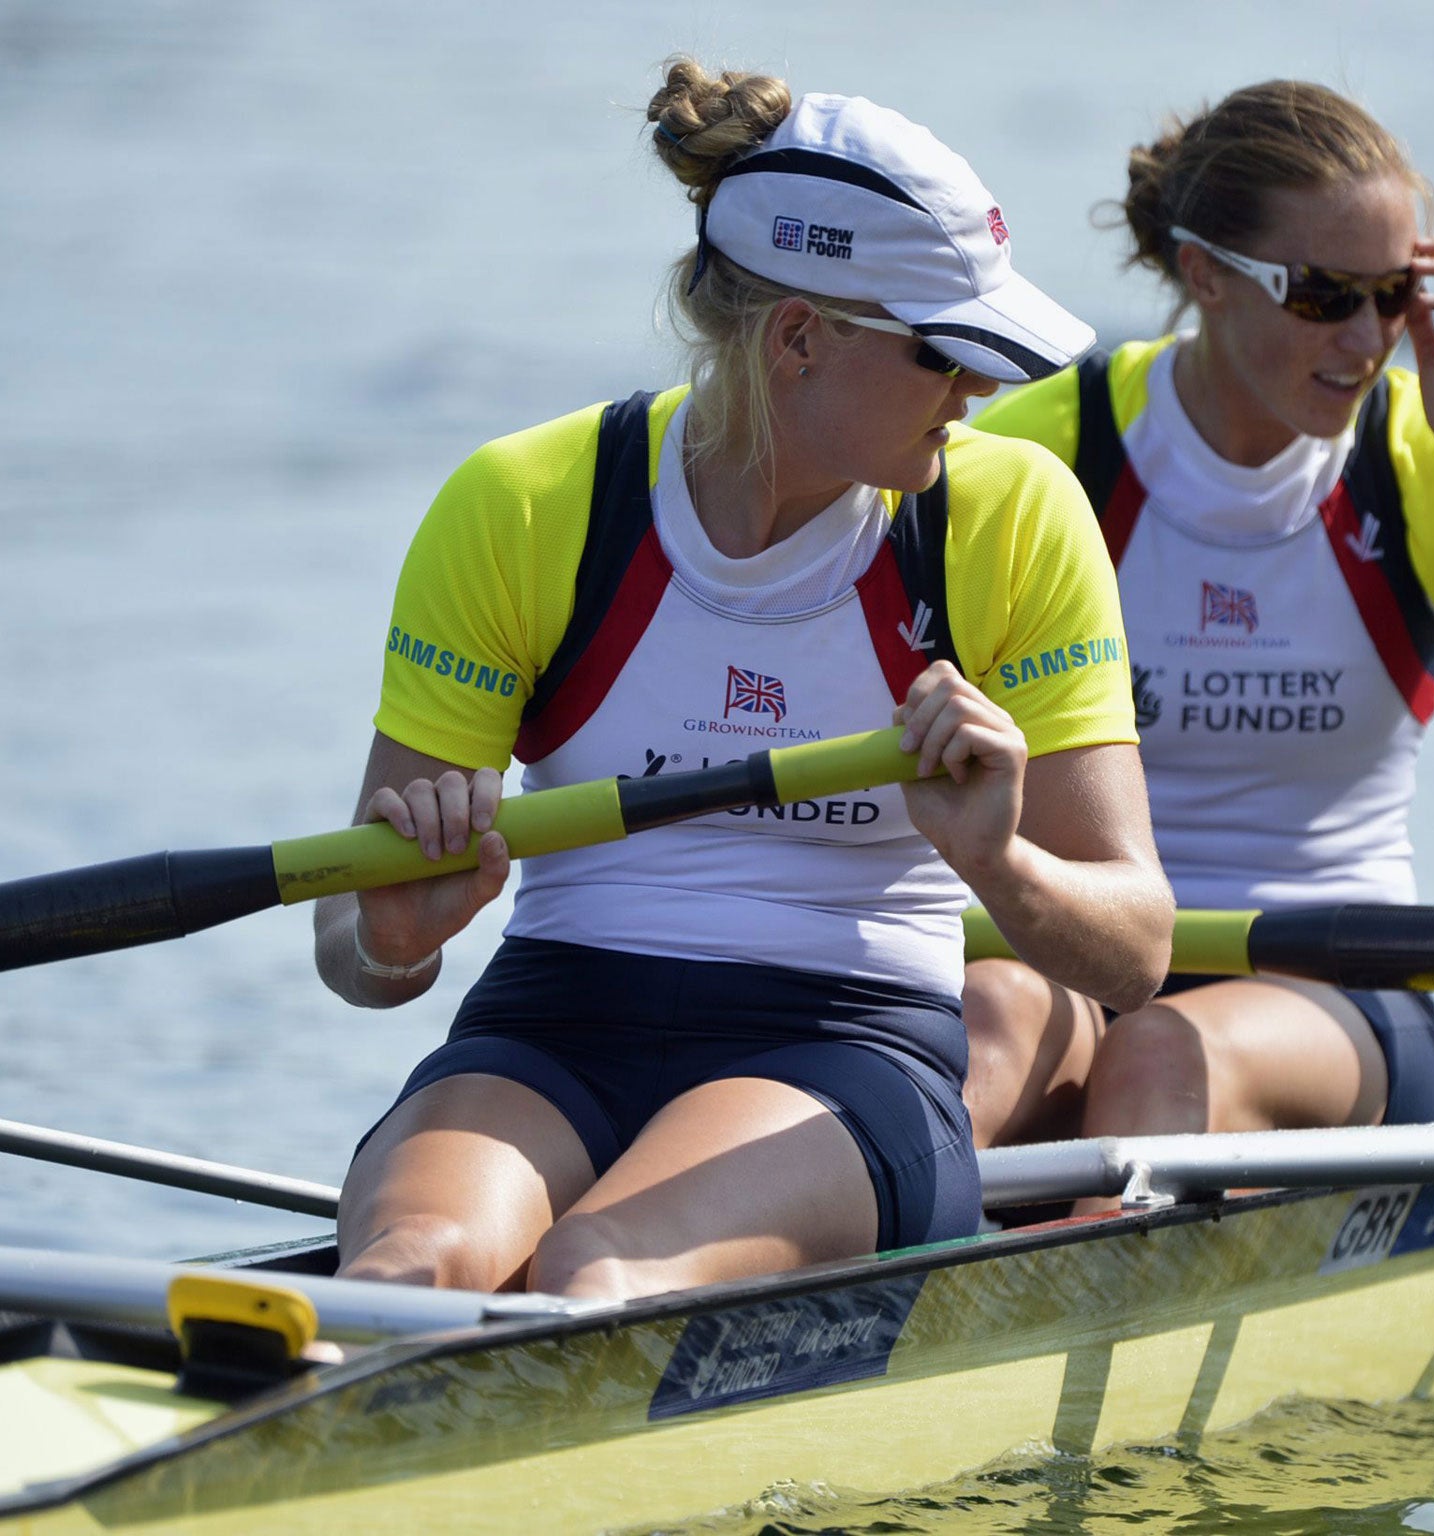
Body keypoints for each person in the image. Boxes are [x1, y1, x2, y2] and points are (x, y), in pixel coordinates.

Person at [312, 60, 1172, 1298]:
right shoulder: (522, 505)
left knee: (594, 1276)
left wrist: (996, 859)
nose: (979, 391)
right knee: (409, 1267)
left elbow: (1133, 949)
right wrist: (394, 942)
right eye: (944, 352)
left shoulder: (1008, 518)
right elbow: (351, 944)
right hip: (551, 1023)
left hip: (844, 1044)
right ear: (800, 337)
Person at [961, 80, 1434, 1182]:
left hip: (1331, 988)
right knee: (978, 1028)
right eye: (1323, 295)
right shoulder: (1042, 454)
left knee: (1161, 1055)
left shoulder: (1420, 462)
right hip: (1066, 950)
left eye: (1393, 294)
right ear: (1202, 272)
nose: (1367, 339)